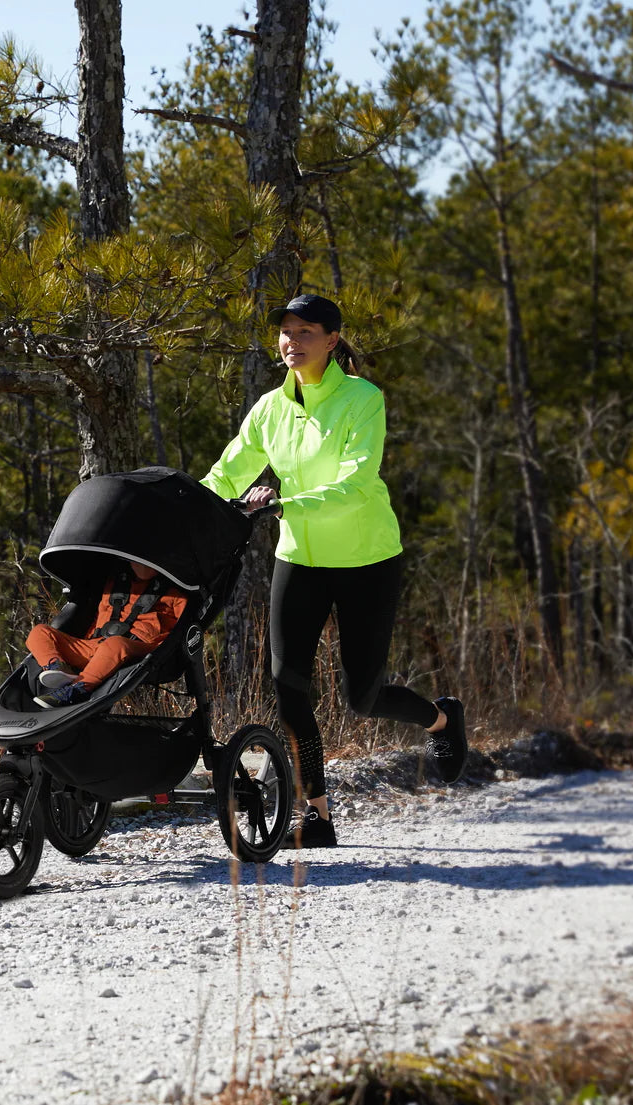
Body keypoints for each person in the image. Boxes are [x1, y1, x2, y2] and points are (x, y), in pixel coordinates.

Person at [201, 293, 468, 848]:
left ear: (331, 340)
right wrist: (190, 507)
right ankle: (317, 815)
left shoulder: (362, 400)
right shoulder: (271, 408)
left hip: (366, 558)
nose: (291, 342)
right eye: (285, 332)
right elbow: (228, 471)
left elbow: (356, 481)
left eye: (304, 332)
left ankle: (441, 720)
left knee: (362, 696)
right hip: (299, 557)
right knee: (288, 684)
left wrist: (284, 506)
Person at [26, 559, 188, 708]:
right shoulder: (114, 582)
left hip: (140, 649)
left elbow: (186, 625)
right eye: (136, 561)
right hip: (96, 645)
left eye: (146, 562)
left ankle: (78, 689)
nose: (141, 566)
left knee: (115, 644)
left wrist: (167, 649)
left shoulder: (175, 592)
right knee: (39, 632)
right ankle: (58, 667)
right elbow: (99, 615)